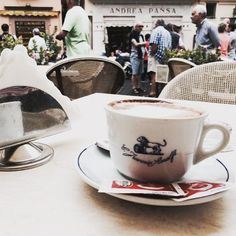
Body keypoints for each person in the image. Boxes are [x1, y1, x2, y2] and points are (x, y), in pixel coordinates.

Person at [147, 19, 172, 97]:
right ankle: (162, 94)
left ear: (157, 24)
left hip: (156, 56)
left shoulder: (156, 31)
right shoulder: (167, 33)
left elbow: (154, 45)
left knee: (154, 74)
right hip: (164, 56)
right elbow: (169, 46)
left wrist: (152, 54)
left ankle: (153, 92)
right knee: (162, 76)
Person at [129, 22, 146, 95]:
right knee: (134, 73)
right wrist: (145, 43)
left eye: (142, 26)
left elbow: (143, 46)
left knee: (139, 73)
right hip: (135, 56)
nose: (141, 28)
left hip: (141, 56)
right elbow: (135, 44)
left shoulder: (141, 35)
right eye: (139, 26)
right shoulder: (132, 35)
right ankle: (134, 88)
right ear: (135, 27)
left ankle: (138, 87)